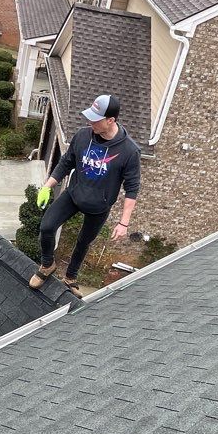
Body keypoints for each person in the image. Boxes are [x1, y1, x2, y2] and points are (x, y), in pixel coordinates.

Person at [30, 94, 140, 297]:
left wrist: (123, 223)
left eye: (95, 119)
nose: (90, 122)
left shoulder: (129, 151)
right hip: (74, 195)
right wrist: (47, 186)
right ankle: (47, 265)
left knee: (83, 242)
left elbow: (132, 188)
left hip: (99, 206)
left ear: (111, 120)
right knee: (46, 227)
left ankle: (70, 277)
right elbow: (66, 162)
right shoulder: (83, 136)